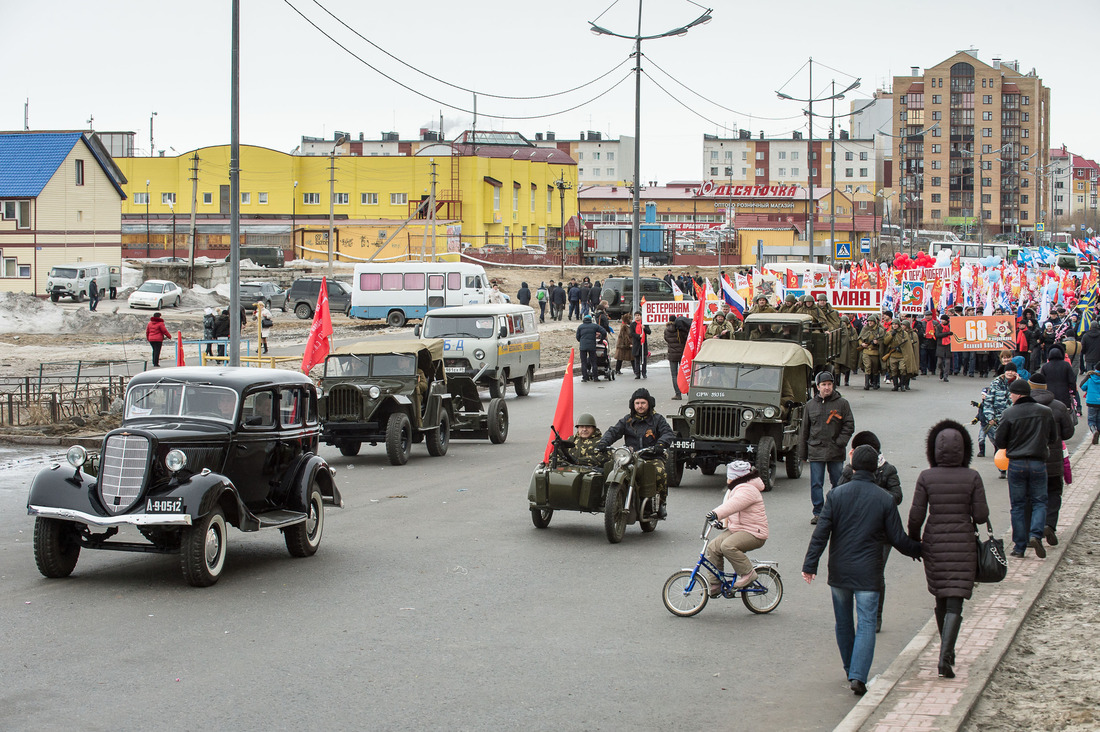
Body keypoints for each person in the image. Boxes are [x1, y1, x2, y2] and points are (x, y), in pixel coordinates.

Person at [802, 444, 922, 696]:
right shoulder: (885, 499)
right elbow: (898, 538)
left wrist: (810, 565)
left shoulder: (836, 495)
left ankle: (849, 669)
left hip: (839, 571)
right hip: (869, 572)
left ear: (853, 466)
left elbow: (821, 533)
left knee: (843, 623)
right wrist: (921, 550)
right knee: (866, 622)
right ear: (876, 466)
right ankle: (858, 675)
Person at [907, 419, 990, 679]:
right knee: (955, 601)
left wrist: (914, 542)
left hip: (934, 543)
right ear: (964, 449)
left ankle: (946, 651)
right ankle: (946, 655)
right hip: (963, 543)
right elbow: (980, 515)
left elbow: (916, 515)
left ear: (934, 450)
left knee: (940, 596)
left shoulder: (926, 477)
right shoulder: (972, 476)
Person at [837, 431, 903, 632]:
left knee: (875, 574)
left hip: (882, 534)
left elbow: (896, 496)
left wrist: (871, 491)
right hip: (856, 532)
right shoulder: (851, 470)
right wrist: (850, 469)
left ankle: (875, 617)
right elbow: (837, 494)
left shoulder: (888, 470)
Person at [993, 379, 1055, 559]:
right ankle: (1035, 535)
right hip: (1038, 462)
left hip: (1017, 464)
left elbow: (1000, 442)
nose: (1010, 397)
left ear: (1018, 395)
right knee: (1039, 502)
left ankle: (1019, 547)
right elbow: (1053, 437)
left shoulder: (1009, 413)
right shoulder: (1045, 412)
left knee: (1018, 505)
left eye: (1011, 394)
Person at [597, 387, 675, 518]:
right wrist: (603, 442)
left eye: (643, 403)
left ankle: (661, 503)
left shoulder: (657, 419)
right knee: (610, 467)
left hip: (651, 456)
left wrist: (660, 444)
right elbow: (614, 431)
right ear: (633, 405)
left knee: (660, 472)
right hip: (630, 457)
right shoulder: (627, 420)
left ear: (649, 403)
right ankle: (609, 498)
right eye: (637, 403)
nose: (640, 406)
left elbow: (668, 433)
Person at [702, 460, 769, 596]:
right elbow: (734, 511)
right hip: (738, 529)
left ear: (736, 477)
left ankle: (748, 573)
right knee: (713, 547)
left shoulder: (747, 489)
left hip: (754, 532)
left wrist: (716, 514)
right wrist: (722, 523)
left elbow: (733, 505)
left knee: (728, 546)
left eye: (729, 476)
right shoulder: (738, 488)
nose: (727, 479)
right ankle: (715, 584)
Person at [800, 371, 855, 524]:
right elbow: (805, 430)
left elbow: (849, 425)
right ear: (817, 387)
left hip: (835, 450)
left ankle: (838, 511)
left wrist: (840, 442)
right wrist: (802, 454)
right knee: (816, 483)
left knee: (838, 483)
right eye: (823, 385)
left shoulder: (842, 403)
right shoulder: (810, 405)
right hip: (816, 450)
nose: (827, 387)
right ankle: (818, 513)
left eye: (829, 384)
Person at [1027, 373, 1074, 547]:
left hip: (1031, 460)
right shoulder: (1059, 407)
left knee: (1034, 497)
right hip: (1054, 461)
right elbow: (1068, 433)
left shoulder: (1024, 407)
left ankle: (1034, 532)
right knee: (1054, 493)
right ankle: (1049, 525)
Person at [1039, 347, 1080, 416]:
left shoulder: (1045, 366)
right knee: (1064, 412)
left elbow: (1041, 380)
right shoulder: (1066, 365)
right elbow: (1072, 380)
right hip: (1064, 393)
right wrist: (1073, 391)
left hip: (1049, 392)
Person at [575, 314, 609, 383]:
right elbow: (604, 332)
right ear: (590, 320)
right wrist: (601, 340)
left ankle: (585, 378)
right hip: (592, 346)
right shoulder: (594, 326)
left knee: (583, 362)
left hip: (583, 347)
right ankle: (595, 377)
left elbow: (577, 337)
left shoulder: (580, 327)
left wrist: (581, 341)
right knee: (593, 362)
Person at [664, 316, 689, 400]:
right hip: (682, 354)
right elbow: (686, 338)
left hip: (672, 355)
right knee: (685, 373)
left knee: (674, 375)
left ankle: (678, 394)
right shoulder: (680, 330)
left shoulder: (666, 330)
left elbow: (666, 339)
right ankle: (689, 392)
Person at [858, 314, 885, 390]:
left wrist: (878, 342)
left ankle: (875, 383)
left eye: (872, 321)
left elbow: (883, 340)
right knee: (868, 367)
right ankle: (866, 384)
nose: (870, 323)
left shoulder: (880, 330)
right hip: (866, 351)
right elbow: (860, 338)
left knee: (875, 369)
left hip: (875, 352)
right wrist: (862, 344)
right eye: (869, 321)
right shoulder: (865, 329)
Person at [882, 320, 908, 392]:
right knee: (893, 370)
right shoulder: (889, 333)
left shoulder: (903, 333)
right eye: (893, 324)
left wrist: (901, 348)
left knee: (902, 369)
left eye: (896, 324)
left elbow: (907, 344)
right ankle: (895, 385)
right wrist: (891, 335)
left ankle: (902, 385)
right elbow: (885, 342)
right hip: (892, 354)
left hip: (901, 355)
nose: (895, 325)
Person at [1080, 368, 1100, 444]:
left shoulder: (1090, 376)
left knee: (1091, 420)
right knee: (1099, 419)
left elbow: (1082, 386)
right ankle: (1098, 433)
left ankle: (1094, 431)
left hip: (1091, 401)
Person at [630, 310, 651, 379]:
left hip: (643, 344)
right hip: (636, 344)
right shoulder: (633, 324)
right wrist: (639, 336)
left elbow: (649, 332)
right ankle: (637, 374)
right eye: (636, 316)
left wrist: (644, 328)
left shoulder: (644, 323)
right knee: (637, 360)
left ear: (641, 316)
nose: (637, 317)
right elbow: (632, 333)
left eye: (638, 315)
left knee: (644, 360)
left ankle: (644, 373)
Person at [934, 315, 953, 382]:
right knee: (939, 362)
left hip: (948, 345)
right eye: (941, 320)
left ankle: (945, 376)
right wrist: (947, 333)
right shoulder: (939, 326)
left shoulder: (951, 326)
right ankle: (942, 370)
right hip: (940, 345)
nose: (942, 321)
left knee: (947, 362)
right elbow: (937, 335)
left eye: (943, 320)